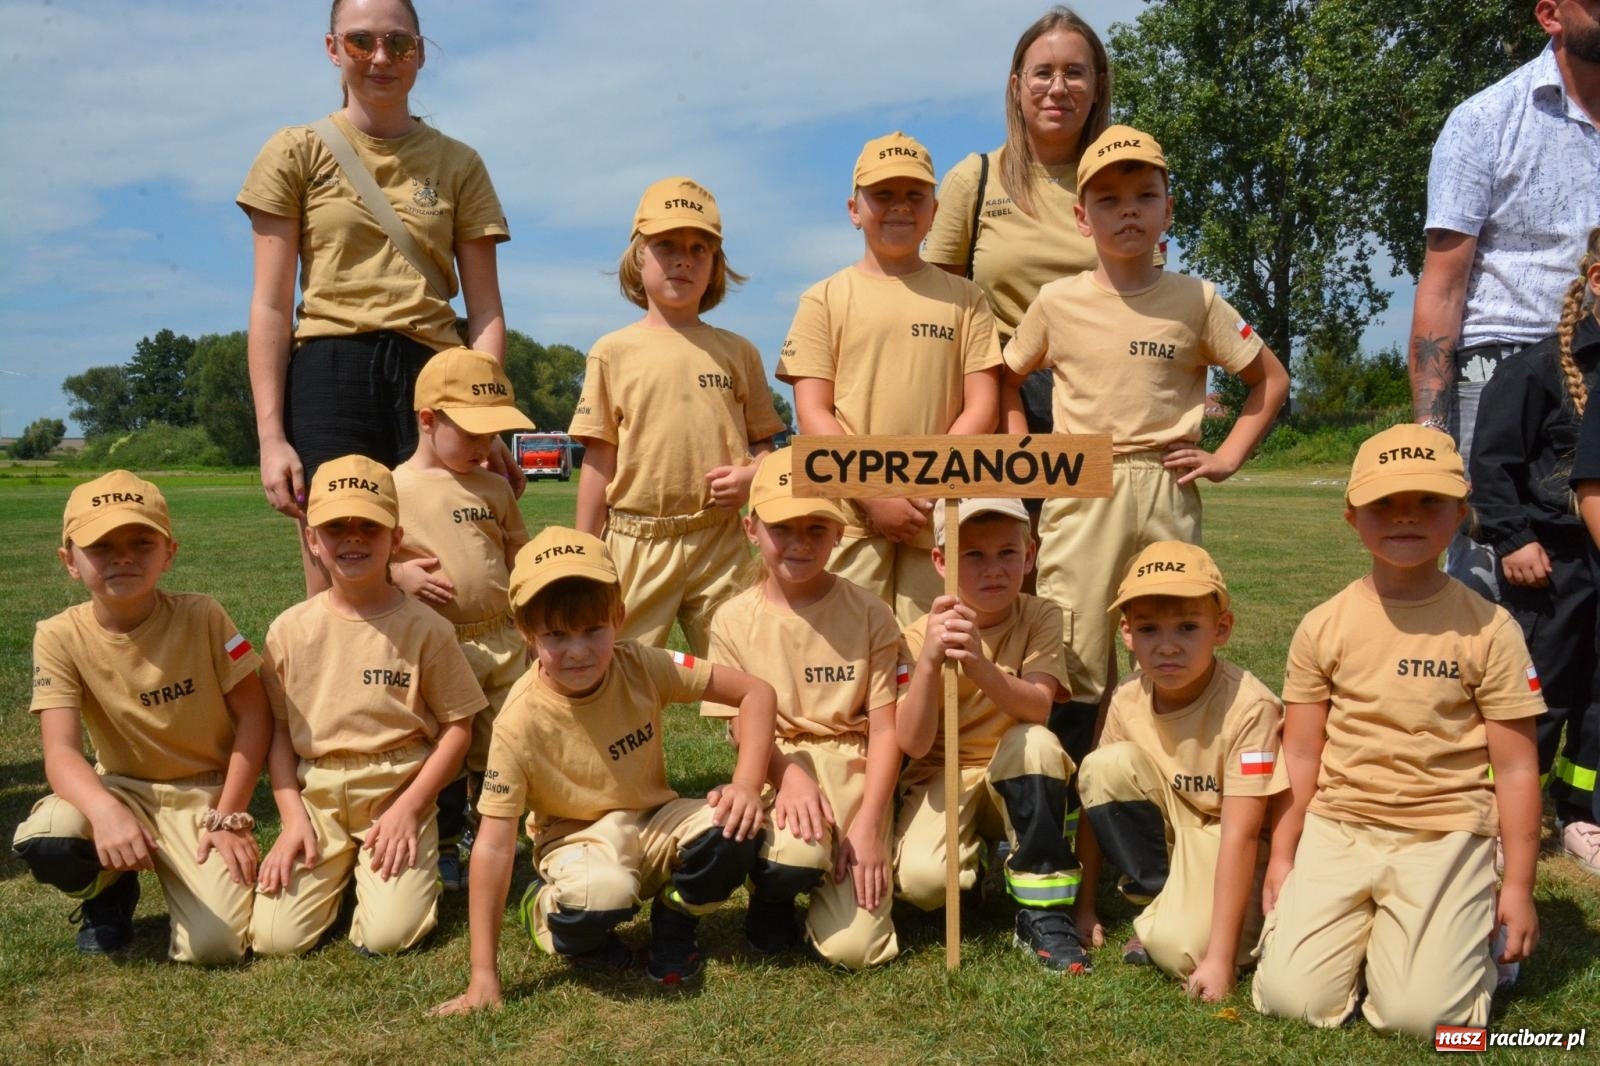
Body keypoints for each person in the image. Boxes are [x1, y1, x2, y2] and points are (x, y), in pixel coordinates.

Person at [1002, 123, 1288, 766]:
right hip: (1081, 485)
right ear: (1082, 217)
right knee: (1070, 641)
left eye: (1144, 194)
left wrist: (1226, 456)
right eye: (1107, 199)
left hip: (1166, 483)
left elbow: (1268, 379)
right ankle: (1065, 793)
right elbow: (1006, 377)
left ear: (1168, 208)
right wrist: (1028, 456)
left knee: (1171, 631)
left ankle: (1165, 777)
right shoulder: (1056, 301)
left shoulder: (1197, 299)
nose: (1127, 209)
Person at [1253, 425, 1543, 1037]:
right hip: (1342, 825)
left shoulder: (1490, 629)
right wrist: (1283, 856)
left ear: (1461, 514)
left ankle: (1470, 929)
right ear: (1351, 516)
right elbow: (1302, 750)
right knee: (1291, 999)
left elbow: (1516, 767)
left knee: (1423, 1017)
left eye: (1427, 502)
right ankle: (1376, 943)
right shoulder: (1322, 624)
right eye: (1384, 503)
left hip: (1445, 832)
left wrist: (1518, 886)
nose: (1405, 517)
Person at [429, 527, 775, 1011]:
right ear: (526, 634)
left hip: (654, 820)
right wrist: (483, 975)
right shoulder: (517, 722)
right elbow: (492, 844)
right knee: (603, 894)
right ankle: (549, 912)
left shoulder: (642, 664)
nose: (577, 651)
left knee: (737, 828)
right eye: (555, 634)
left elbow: (756, 692)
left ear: (618, 617)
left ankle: (676, 921)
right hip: (577, 839)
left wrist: (745, 784)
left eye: (594, 629)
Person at [239, 0, 515, 597]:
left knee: (445, 571)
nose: (381, 58)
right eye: (361, 42)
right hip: (329, 371)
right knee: (341, 574)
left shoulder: (459, 163)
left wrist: (480, 417)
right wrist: (271, 437)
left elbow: (487, 310)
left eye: (399, 43)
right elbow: (269, 306)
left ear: (420, 52)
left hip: (436, 375)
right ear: (333, 49)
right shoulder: (295, 151)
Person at [11, 472, 271, 963]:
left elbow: (255, 716)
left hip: (203, 793)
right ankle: (108, 891)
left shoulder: (204, 616)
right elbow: (61, 752)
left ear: (169, 552)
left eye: (140, 541)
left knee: (215, 948)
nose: (123, 556)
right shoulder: (58, 635)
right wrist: (106, 813)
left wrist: (228, 814)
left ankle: (182, 870)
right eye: (101, 545)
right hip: (123, 789)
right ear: (69, 561)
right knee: (51, 838)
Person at [252, 455, 484, 957]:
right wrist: (291, 818)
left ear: (395, 539)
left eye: (369, 526)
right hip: (320, 796)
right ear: (312, 539)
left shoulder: (427, 628)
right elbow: (276, 733)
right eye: (336, 527)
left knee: (387, 937)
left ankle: (387, 878)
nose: (353, 538)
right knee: (275, 940)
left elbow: (459, 728)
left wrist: (409, 808)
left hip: (396, 790)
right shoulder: (288, 630)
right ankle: (342, 871)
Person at [1407, 0, 1600, 598]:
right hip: (1505, 376)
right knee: (1496, 575)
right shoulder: (1485, 120)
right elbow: (1442, 284)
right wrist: (1433, 438)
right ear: (1551, 15)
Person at [778, 132, 1002, 625]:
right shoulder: (824, 299)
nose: (899, 207)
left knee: (932, 655)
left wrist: (923, 485)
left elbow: (981, 405)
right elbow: (813, 412)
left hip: (938, 517)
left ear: (935, 208)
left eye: (914, 195)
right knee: (848, 661)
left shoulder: (967, 300)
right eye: (882, 195)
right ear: (854, 208)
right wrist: (875, 493)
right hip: (847, 522)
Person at [704, 449, 901, 969]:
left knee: (855, 952)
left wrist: (868, 824)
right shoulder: (730, 621)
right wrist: (787, 775)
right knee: (796, 854)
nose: (800, 543)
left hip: (854, 768)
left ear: (839, 534)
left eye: (817, 527)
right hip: (776, 764)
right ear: (751, 528)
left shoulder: (871, 613)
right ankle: (771, 898)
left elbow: (885, 732)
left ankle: (850, 879)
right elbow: (739, 728)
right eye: (783, 527)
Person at [570, 176, 784, 655]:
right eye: (666, 245)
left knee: (744, 664)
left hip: (719, 542)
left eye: (699, 248)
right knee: (618, 670)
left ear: (716, 266)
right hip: (635, 542)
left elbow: (766, 444)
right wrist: (584, 552)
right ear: (638, 256)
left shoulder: (738, 352)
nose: (683, 259)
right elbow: (598, 458)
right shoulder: (612, 351)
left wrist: (754, 477)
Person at [1076, 541, 1285, 1001]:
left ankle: (1165, 921)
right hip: (1176, 832)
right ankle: (1158, 902)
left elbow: (1244, 834)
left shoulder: (1251, 708)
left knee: (1183, 953)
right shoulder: (1128, 696)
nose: (1167, 646)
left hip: (1224, 838)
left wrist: (1220, 958)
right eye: (1149, 629)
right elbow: (1095, 801)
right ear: (1127, 634)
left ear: (1222, 628)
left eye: (1188, 627)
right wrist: (1083, 906)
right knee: (1101, 766)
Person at [894, 499, 1085, 972]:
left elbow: (1038, 708)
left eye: (1006, 553)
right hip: (944, 773)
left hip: (1011, 769)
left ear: (1030, 555)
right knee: (922, 884)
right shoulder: (918, 634)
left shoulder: (1040, 615)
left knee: (1039, 745)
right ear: (941, 562)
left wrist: (978, 663)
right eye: (973, 555)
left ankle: (1043, 911)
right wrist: (929, 665)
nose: (993, 570)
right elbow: (913, 744)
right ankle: (972, 866)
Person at [1469, 227, 1600, 871]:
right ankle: (1507, 815)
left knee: (1599, 696)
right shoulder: (1536, 369)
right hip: (1551, 566)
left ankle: (1581, 814)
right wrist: (1513, 538)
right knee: (1541, 696)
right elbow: (1491, 463)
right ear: (1597, 282)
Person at [924, 5, 1112, 434]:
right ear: (1016, 85)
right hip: (995, 405)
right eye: (1043, 72)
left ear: (1098, 86)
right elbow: (937, 312)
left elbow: (1146, 298)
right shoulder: (975, 178)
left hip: (1102, 402)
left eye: (1075, 73)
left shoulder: (1123, 183)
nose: (1058, 88)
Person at [390, 346, 533, 890]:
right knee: (446, 747)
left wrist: (534, 618)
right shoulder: (393, 487)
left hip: (502, 639)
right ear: (427, 420)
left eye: (494, 433)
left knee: (506, 743)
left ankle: (497, 833)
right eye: (474, 433)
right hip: (436, 647)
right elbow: (364, 560)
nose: (486, 445)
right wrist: (399, 577)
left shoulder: (494, 487)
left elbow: (518, 555)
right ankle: (445, 841)